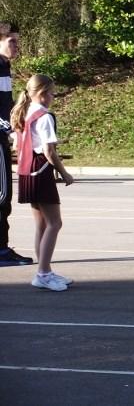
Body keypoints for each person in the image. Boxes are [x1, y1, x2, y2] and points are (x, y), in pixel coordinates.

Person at [10, 74, 74, 290]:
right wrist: (64, 173)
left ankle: (44, 270)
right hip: (40, 169)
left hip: (26, 171)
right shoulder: (45, 116)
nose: (54, 97)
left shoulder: (23, 112)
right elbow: (49, 151)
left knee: (42, 225)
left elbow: (18, 144)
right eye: (52, 93)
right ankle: (43, 274)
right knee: (55, 223)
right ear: (43, 93)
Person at [0, 23, 33, 266]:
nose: (17, 46)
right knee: (2, 196)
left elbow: (6, 106)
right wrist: (11, 131)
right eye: (12, 41)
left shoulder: (4, 67)